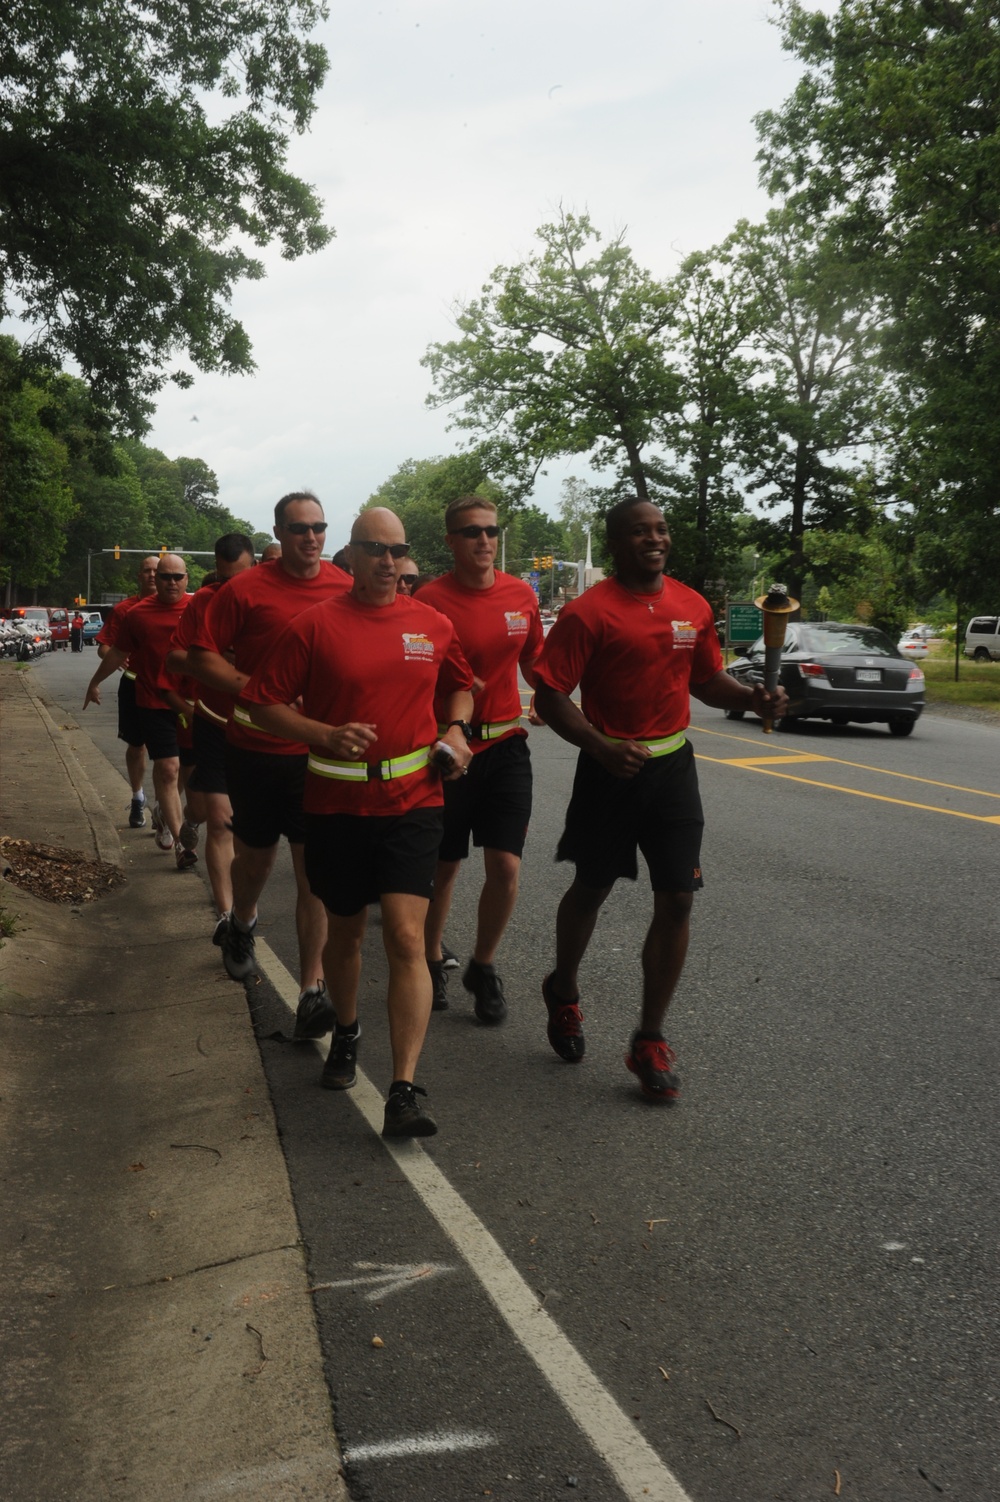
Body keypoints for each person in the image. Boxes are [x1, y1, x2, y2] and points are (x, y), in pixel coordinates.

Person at [532, 499, 786, 1102]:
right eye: (640, 532)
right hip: (609, 768)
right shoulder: (587, 613)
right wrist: (599, 746)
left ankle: (649, 1039)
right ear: (617, 544)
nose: (655, 539)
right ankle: (563, 991)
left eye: (661, 530)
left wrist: (751, 698)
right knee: (591, 888)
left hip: (672, 768)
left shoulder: (690, 605)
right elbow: (549, 695)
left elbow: (704, 679)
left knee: (677, 898)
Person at [242, 507, 474, 1139]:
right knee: (346, 935)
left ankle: (403, 1087)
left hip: (415, 800)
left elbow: (461, 689)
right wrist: (322, 734)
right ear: (349, 553)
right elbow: (260, 703)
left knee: (405, 936)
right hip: (337, 805)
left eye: (395, 550)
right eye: (373, 548)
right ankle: (347, 1029)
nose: (386, 561)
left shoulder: (431, 625)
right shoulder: (315, 626)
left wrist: (456, 729)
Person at [183, 492, 350, 1032]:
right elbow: (201, 656)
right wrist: (254, 690)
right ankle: (243, 920)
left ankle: (311, 989)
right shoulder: (245, 590)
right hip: (254, 751)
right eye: (299, 529)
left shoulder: (345, 589)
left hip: (316, 757)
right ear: (277, 534)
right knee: (256, 863)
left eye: (319, 527)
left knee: (314, 874)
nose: (311, 537)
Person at [416, 496, 543, 1022]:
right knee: (444, 866)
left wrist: (557, 697)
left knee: (506, 865)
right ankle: (428, 960)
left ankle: (483, 965)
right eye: (472, 533)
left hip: (507, 744)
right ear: (451, 541)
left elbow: (537, 661)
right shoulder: (428, 600)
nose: (484, 541)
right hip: (447, 750)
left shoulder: (521, 595)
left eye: (491, 531)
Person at [165, 534, 257, 929]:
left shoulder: (274, 599)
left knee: (243, 829)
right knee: (221, 821)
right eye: (223, 579)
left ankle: (190, 817)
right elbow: (174, 658)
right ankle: (228, 918)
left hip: (266, 730)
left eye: (240, 578)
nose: (231, 589)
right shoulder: (204, 601)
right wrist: (216, 663)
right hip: (214, 723)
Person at [83, 556, 196, 870]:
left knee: (185, 772)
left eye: (177, 577)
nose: (171, 582)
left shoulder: (200, 609)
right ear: (154, 579)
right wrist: (94, 683)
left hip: (192, 704)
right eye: (164, 577)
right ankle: (180, 845)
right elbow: (116, 650)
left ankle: (162, 809)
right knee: (168, 768)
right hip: (152, 701)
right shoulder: (136, 613)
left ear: (187, 579)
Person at [94, 557, 159, 827]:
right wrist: (117, 658)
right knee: (137, 746)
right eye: (147, 571)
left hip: (168, 688)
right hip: (133, 685)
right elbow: (103, 647)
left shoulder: (181, 607)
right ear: (139, 576)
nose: (153, 576)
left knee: (170, 755)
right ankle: (137, 797)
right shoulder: (124, 609)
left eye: (158, 571)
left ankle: (164, 807)